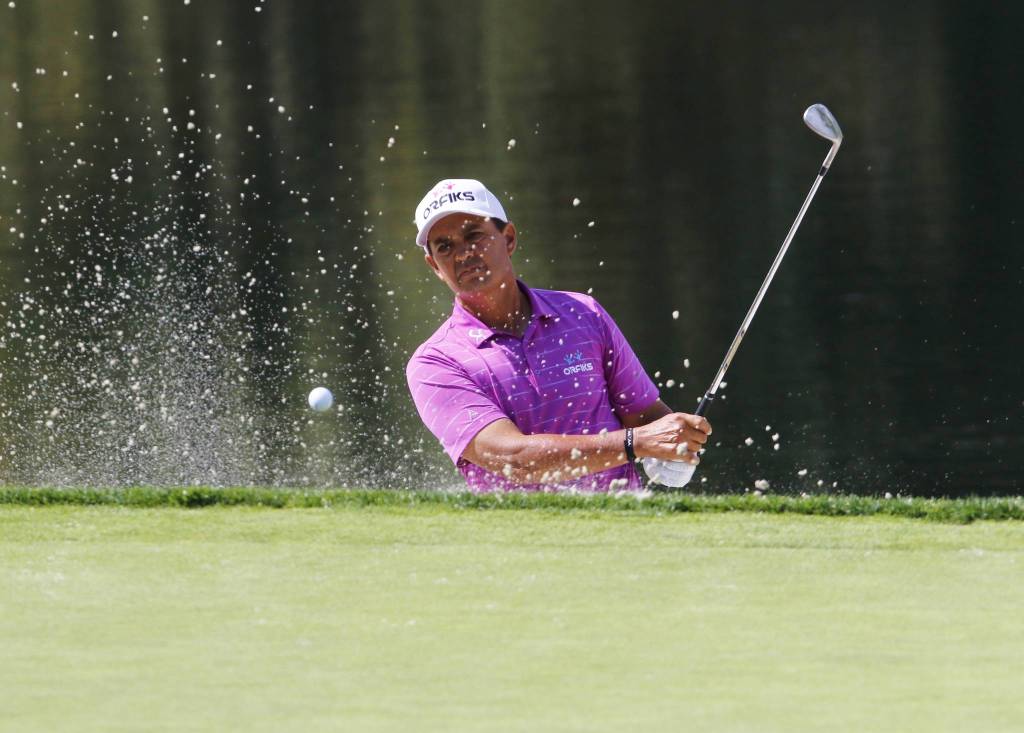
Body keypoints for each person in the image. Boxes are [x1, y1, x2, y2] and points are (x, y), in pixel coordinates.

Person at [405, 179, 712, 491]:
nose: (462, 254)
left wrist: (675, 443)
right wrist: (636, 443)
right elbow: (513, 459)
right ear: (434, 266)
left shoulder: (583, 313)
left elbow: (645, 417)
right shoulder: (435, 363)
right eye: (445, 246)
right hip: (518, 537)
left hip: (625, 527)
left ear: (508, 238)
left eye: (474, 235)